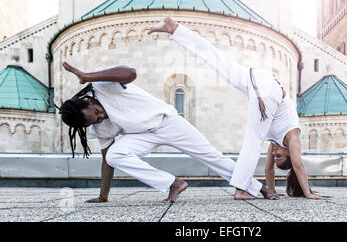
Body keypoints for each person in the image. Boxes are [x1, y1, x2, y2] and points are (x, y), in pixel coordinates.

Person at [149, 17, 327, 200]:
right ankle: (241, 190)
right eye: (280, 156)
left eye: (276, 157)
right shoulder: (293, 135)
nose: (275, 154)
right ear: (289, 153)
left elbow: (268, 169)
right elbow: (298, 165)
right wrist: (308, 193)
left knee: (218, 61)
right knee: (253, 140)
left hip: (257, 79)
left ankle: (176, 29)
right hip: (270, 91)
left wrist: (272, 189)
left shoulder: (276, 144)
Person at [59, 62, 278, 203]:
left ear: (87, 100)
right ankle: (172, 183)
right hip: (141, 135)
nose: (100, 117)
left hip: (167, 122)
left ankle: (260, 189)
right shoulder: (101, 128)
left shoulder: (104, 87)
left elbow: (131, 72)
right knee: (115, 155)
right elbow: (108, 162)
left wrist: (87, 75)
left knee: (211, 156)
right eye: (95, 120)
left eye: (96, 112)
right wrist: (103, 196)